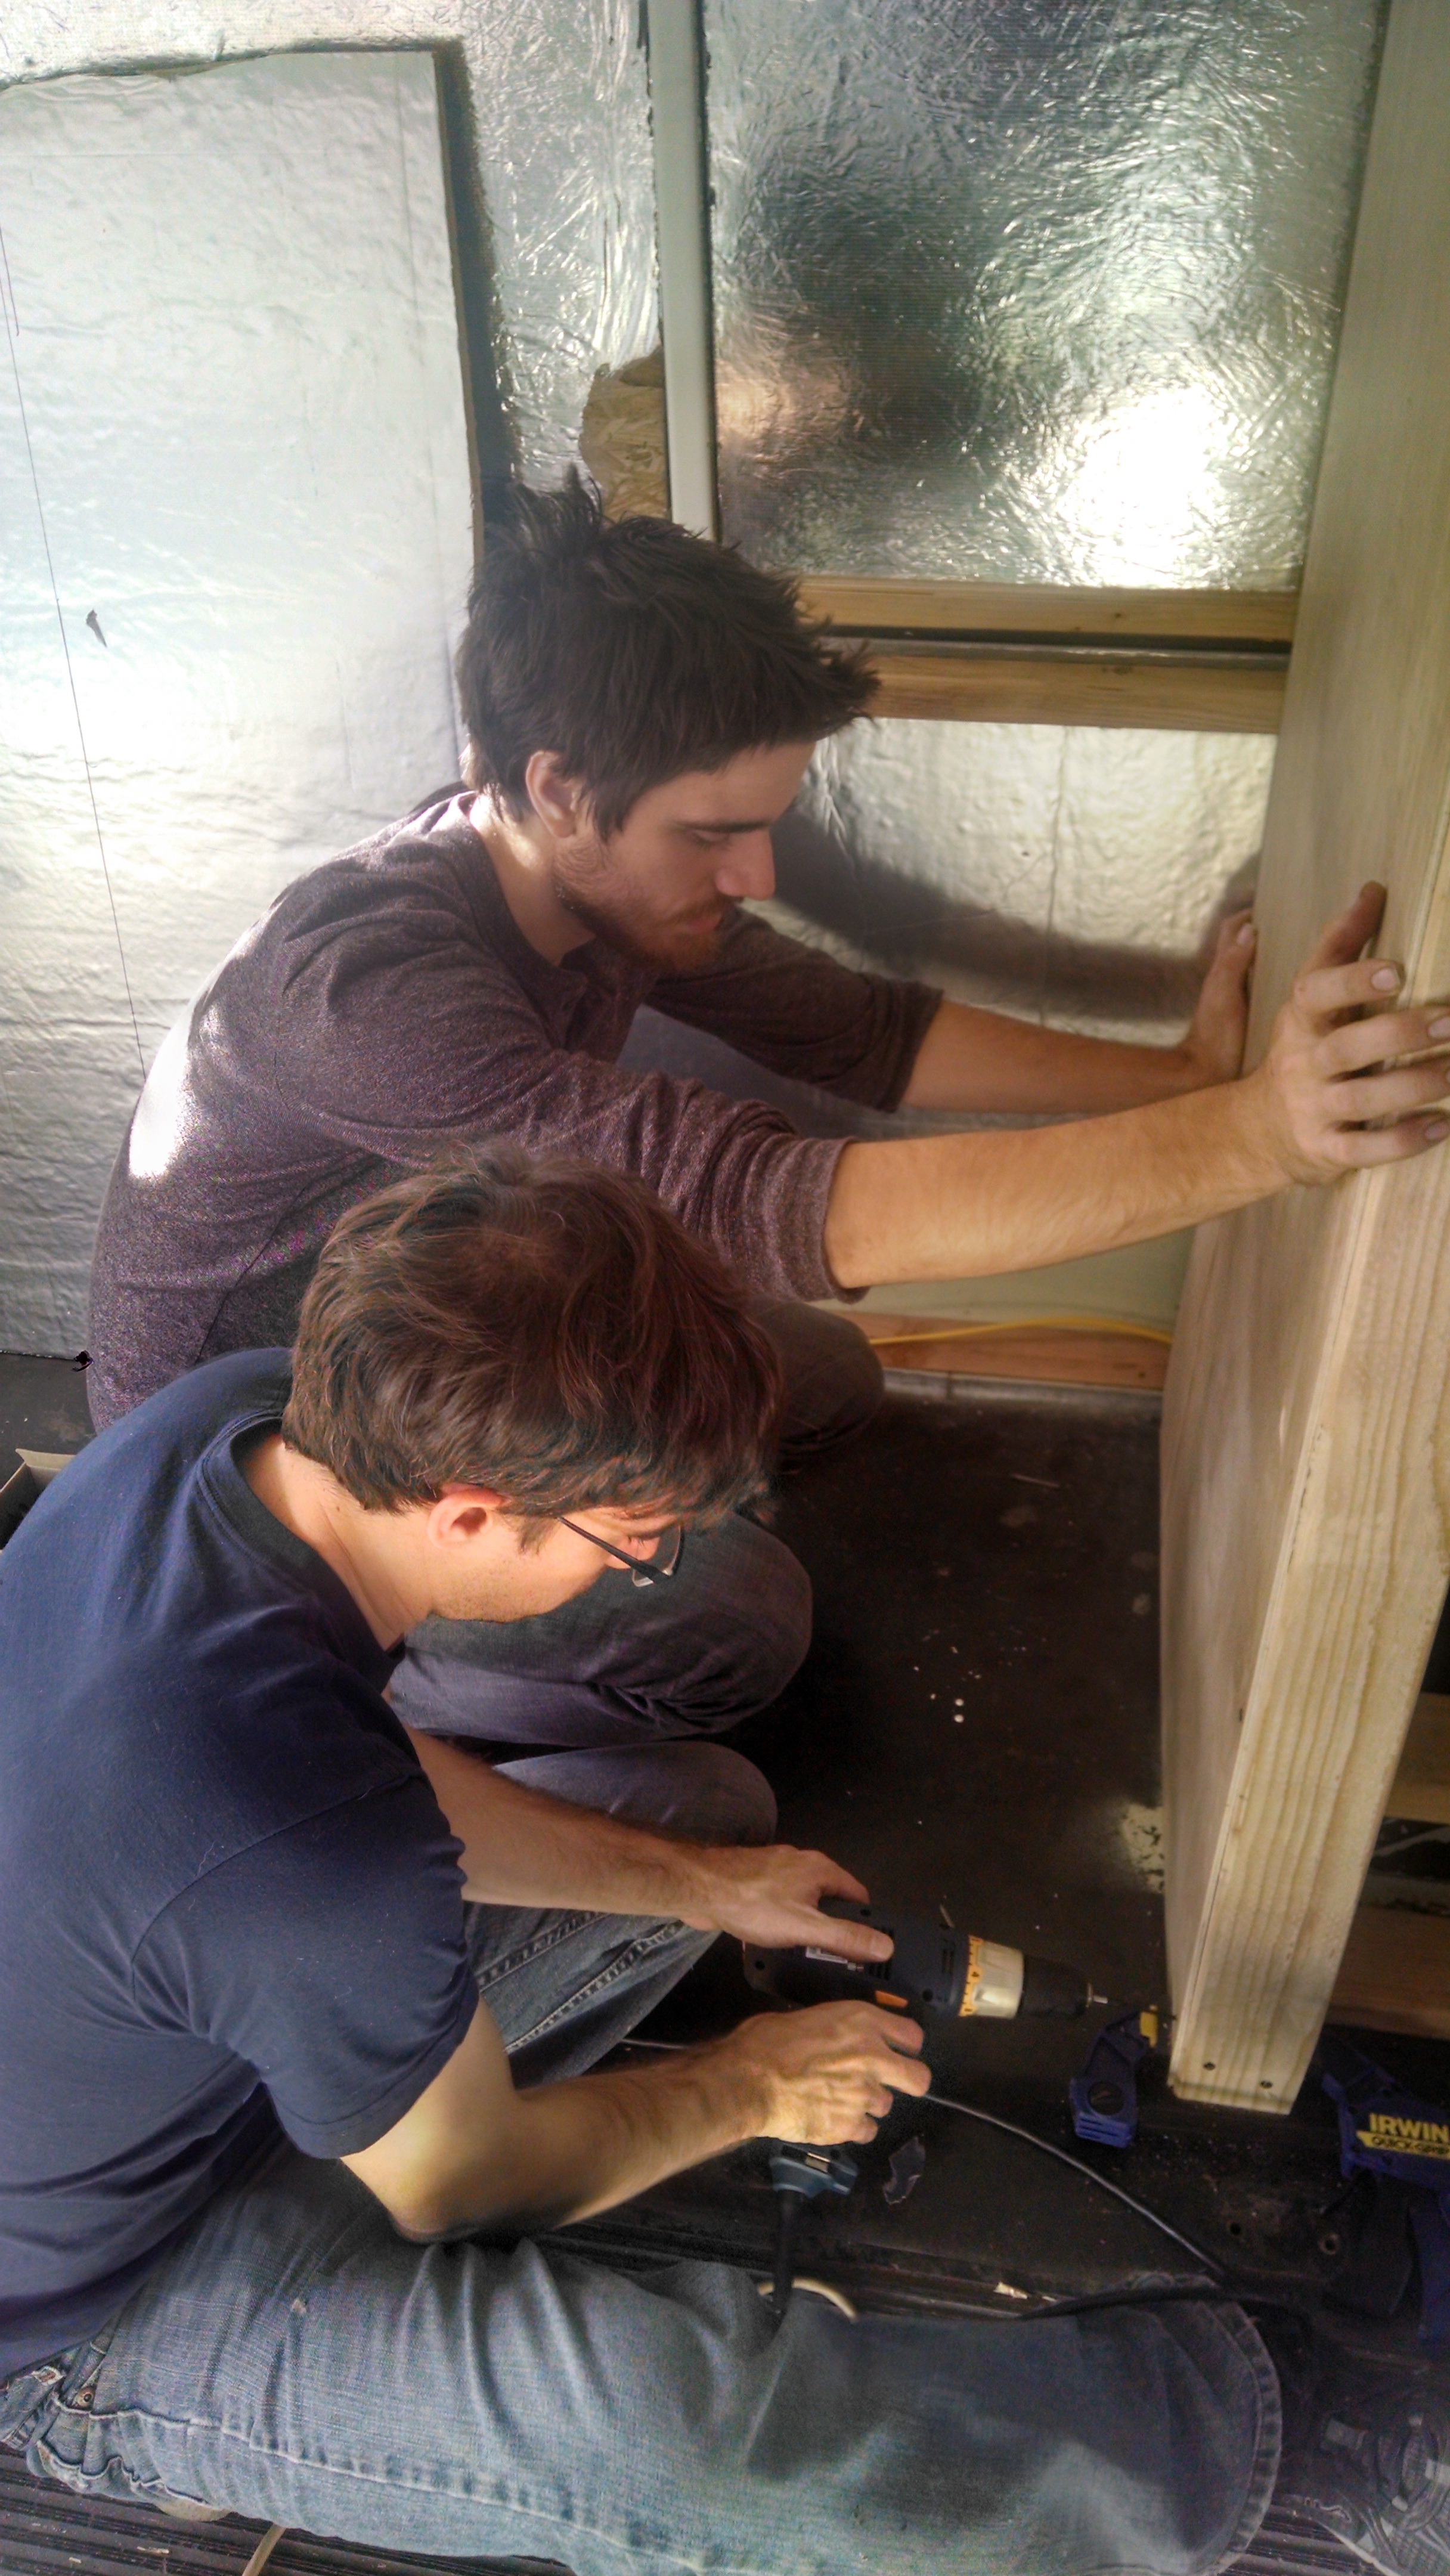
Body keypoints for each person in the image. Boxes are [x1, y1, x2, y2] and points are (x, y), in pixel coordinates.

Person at [7, 1153, 1437, 2576]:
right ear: (467, 1512)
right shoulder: (307, 1858)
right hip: (89, 2304)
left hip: (201, 2014)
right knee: (664, 2430)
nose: (642, 1570)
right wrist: (754, 2084)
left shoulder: (228, 1429)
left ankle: (355, 2281)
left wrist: (702, 1886)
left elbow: (360, 1777)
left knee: (693, 1813)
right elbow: (466, 2178)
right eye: (635, 1545)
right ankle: (1287, 2434)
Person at [86, 478, 1450, 1766]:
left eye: (763, 825)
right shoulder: (377, 995)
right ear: (560, 788)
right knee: (739, 1621)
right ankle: (398, 1702)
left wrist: (1187, 1077)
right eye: (712, 833)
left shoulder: (586, 883)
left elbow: (862, 1032)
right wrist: (1263, 1137)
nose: (755, 872)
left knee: (827, 1378)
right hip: (265, 1468)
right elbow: (761, 1203)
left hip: (454, 1347)